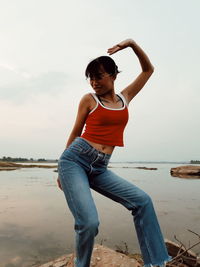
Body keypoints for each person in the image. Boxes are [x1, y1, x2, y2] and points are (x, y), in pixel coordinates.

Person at [57, 39, 171, 267]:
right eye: (90, 78)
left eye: (98, 76)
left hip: (100, 167)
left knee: (143, 202)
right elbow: (75, 132)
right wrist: (61, 171)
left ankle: (156, 262)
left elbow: (148, 70)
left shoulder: (125, 98)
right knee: (89, 223)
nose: (94, 82)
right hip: (75, 160)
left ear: (113, 76)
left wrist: (131, 44)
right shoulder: (89, 99)